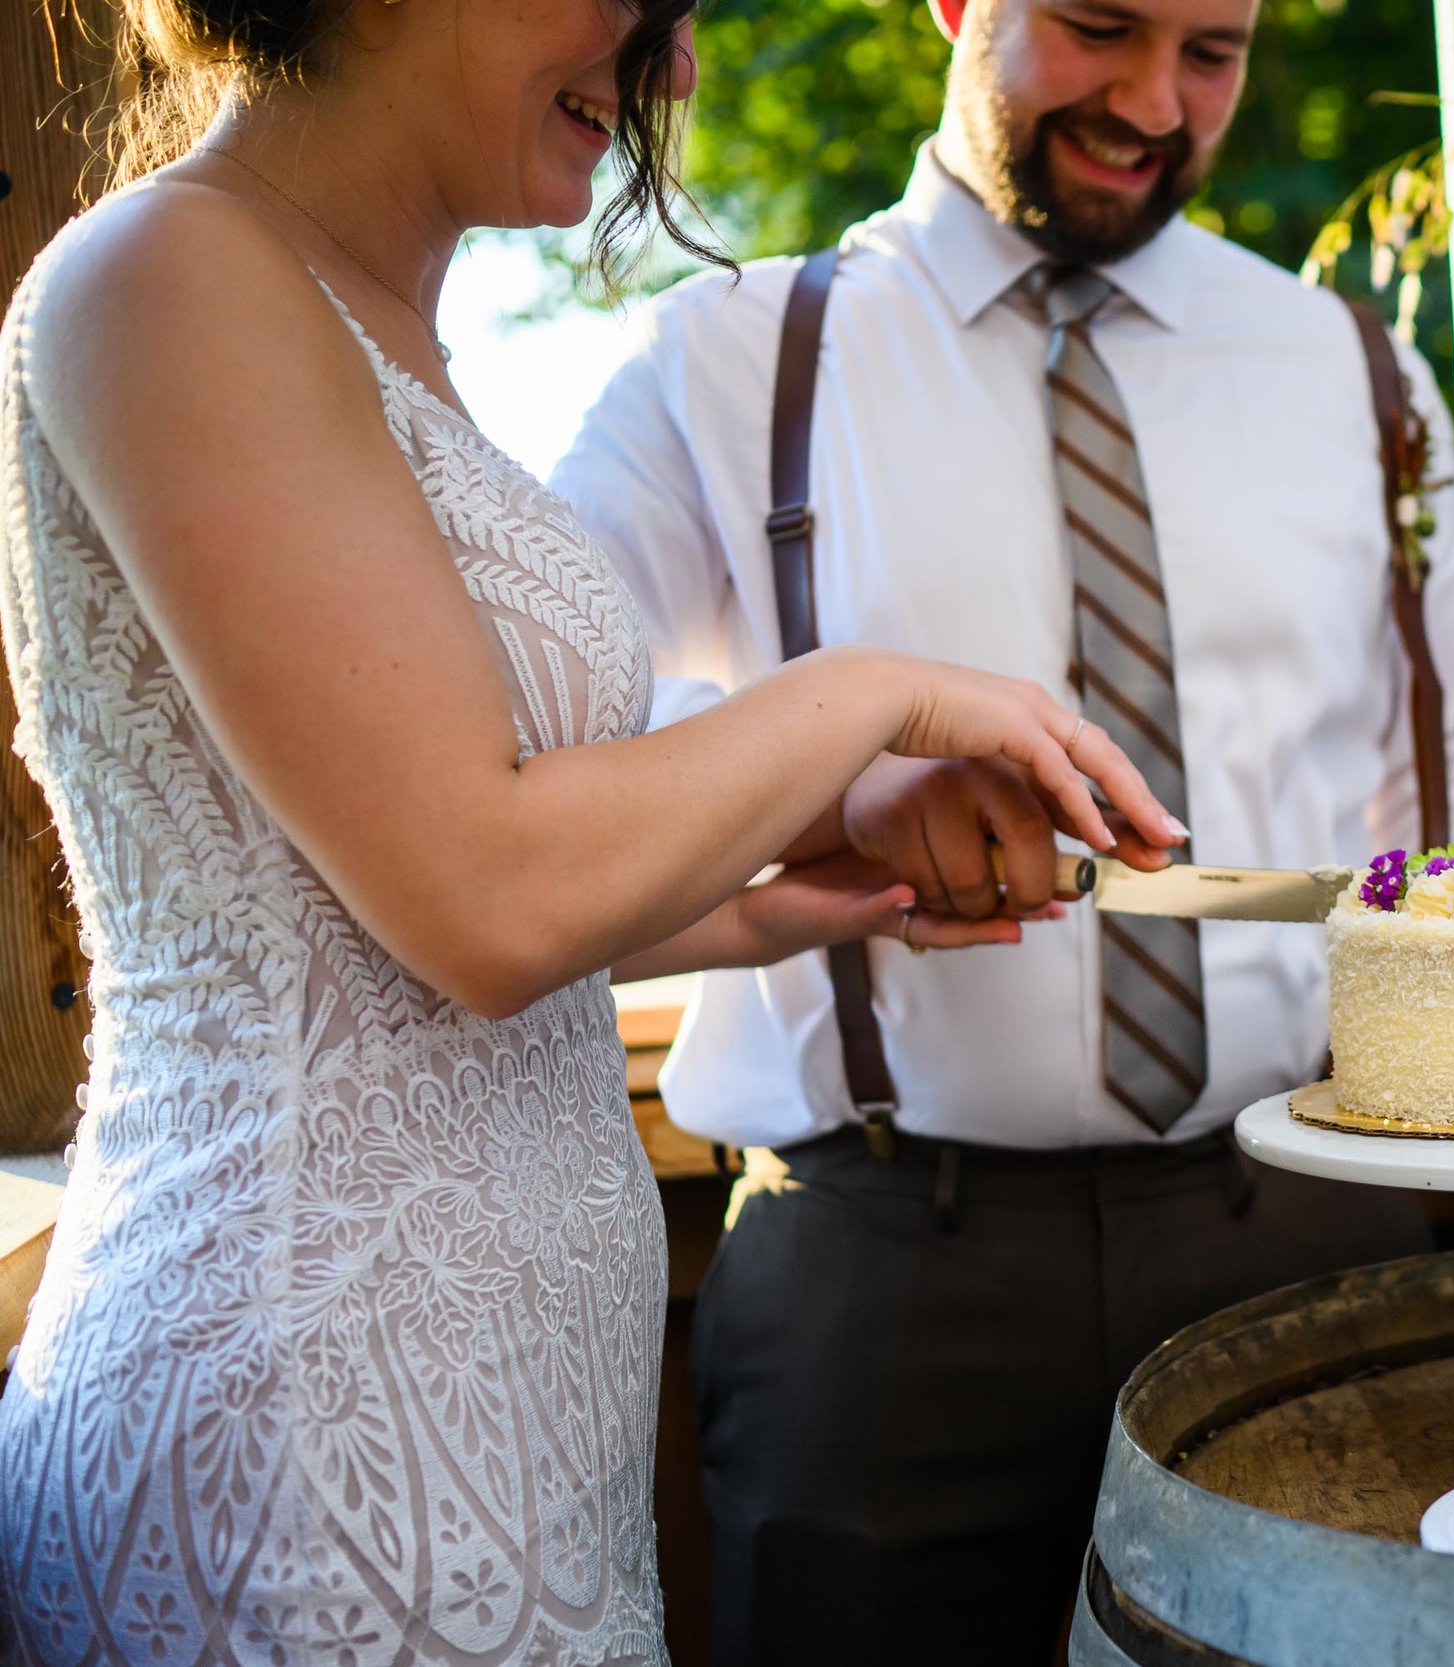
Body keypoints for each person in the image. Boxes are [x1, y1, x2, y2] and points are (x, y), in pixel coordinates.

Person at [554, 0, 1454, 1657]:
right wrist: (839, 784)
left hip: (1319, 1229)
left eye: (1213, 48)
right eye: (1100, 25)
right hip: (885, 1282)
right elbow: (553, 735)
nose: (1151, 101)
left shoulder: (1350, 367)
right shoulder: (729, 363)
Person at [0, 1, 1180, 1661]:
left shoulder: (378, 325)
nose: (674, 73)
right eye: (643, 9)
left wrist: (781, 891)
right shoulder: (171, 278)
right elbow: (485, 903)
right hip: (307, 1430)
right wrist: (871, 698)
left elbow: (372, 902)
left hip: (496, 1419)